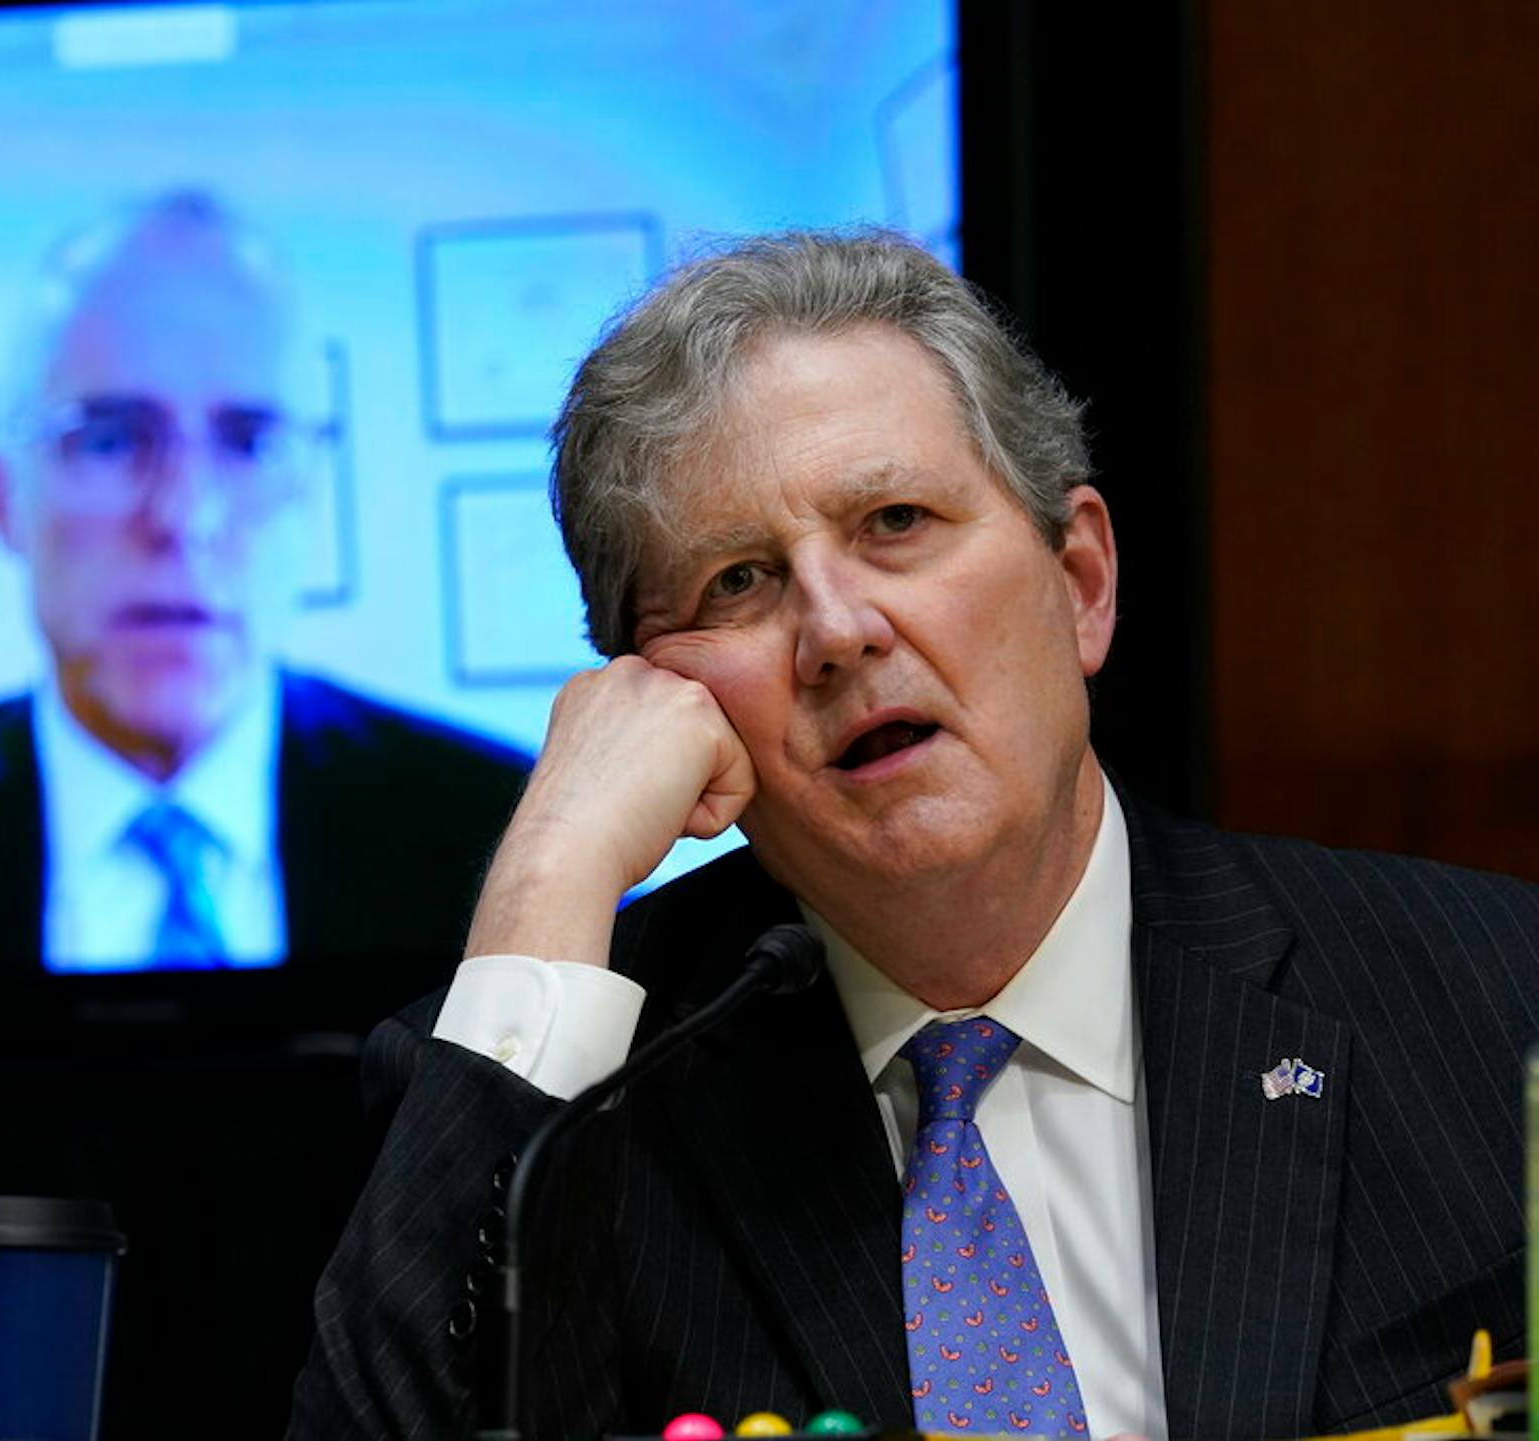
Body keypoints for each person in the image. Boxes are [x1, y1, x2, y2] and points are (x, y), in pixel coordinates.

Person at [290, 231, 1537, 1439]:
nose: (837, 630)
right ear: (652, 702)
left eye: (895, 521)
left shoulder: (1489, 1000)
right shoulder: (580, 1121)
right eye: (738, 581)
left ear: (1082, 582)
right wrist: (552, 874)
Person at [0, 192, 528, 991]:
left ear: (310, 494)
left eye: (249, 441)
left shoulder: (499, 838)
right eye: (109, 438)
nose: (183, 515)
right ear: (5, 497)